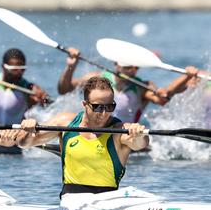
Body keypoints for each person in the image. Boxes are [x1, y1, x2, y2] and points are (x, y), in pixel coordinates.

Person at [18, 76, 149, 198]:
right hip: (72, 201)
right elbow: (24, 143)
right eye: (97, 107)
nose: (104, 113)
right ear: (85, 105)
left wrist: (138, 134)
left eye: (110, 106)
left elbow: (140, 144)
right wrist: (28, 131)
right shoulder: (65, 123)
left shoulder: (119, 130)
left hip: (109, 202)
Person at [57, 47, 199, 123]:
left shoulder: (142, 87)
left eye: (135, 67)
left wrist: (186, 77)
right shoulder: (97, 78)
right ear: (116, 64)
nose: (131, 71)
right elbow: (64, 90)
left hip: (123, 134)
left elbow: (163, 98)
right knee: (65, 117)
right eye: (127, 67)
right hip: (94, 131)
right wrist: (71, 66)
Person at [0, 48, 49, 154]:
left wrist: (43, 99)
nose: (19, 73)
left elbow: (48, 106)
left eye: (22, 69)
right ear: (3, 67)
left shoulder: (29, 88)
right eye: (14, 70)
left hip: (14, 143)